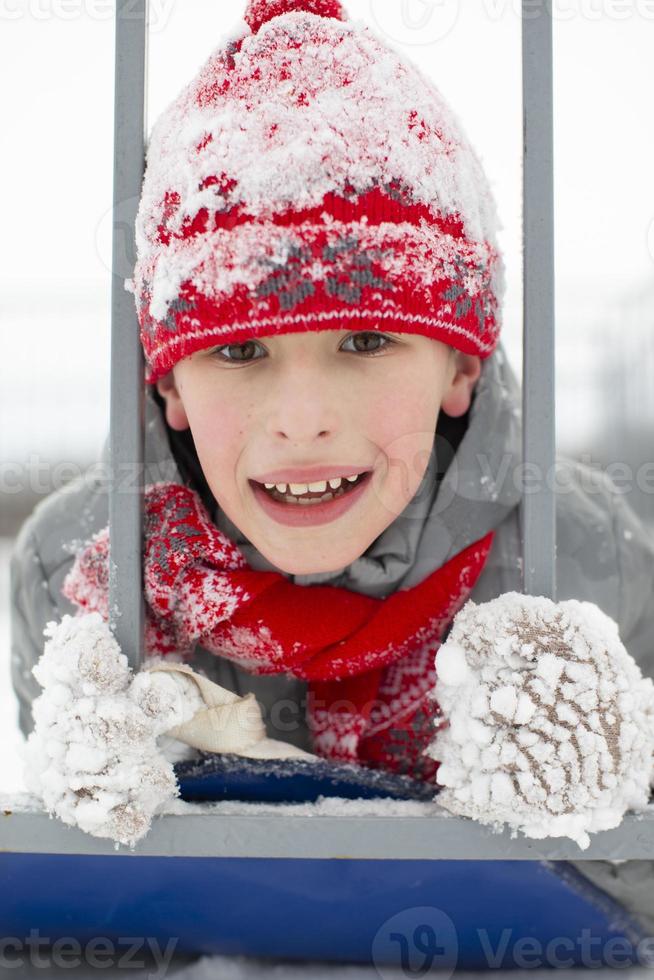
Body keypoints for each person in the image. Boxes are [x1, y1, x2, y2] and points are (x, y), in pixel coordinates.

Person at [10, 0, 654, 783]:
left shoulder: (585, 561)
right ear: (169, 382)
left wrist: (601, 813)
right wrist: (89, 816)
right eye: (240, 349)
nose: (303, 421)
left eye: (366, 340)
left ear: (459, 365)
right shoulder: (79, 575)